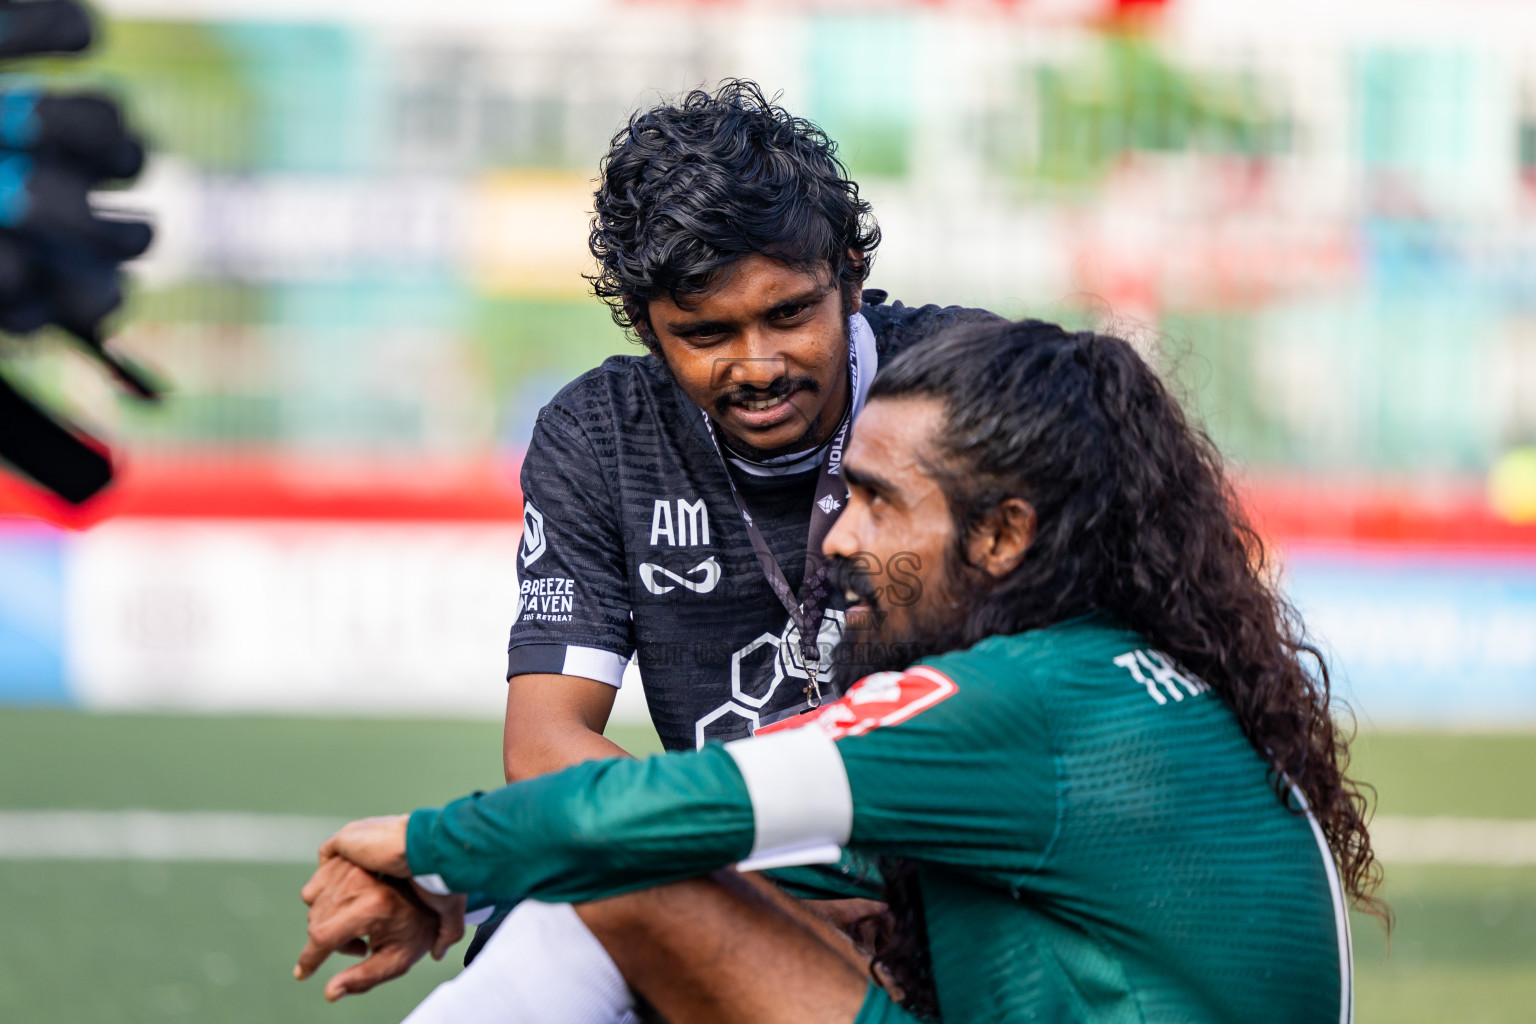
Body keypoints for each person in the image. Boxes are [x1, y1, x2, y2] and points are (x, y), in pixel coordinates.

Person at [305, 318, 1386, 1023]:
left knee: (628, 873)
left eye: (877, 501)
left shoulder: (1018, 700)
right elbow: (780, 845)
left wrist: (430, 859)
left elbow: (678, 805)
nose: (836, 536)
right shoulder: (1116, 673)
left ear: (1004, 535)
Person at [294, 79, 999, 1013]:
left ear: (851, 275)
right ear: (642, 323)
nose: (758, 364)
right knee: (564, 913)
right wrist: (756, 905)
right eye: (705, 334)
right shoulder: (600, 433)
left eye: (790, 314)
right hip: (722, 860)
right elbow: (545, 744)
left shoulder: (973, 388)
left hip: (959, 881)